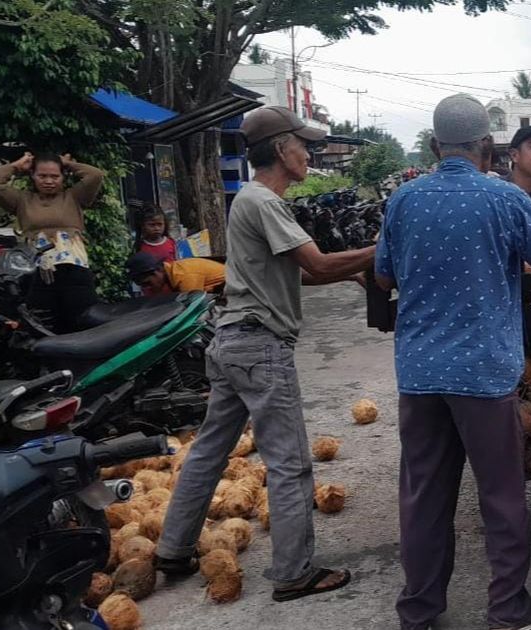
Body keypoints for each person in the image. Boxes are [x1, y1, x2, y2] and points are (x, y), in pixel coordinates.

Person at [374, 94, 531, 630]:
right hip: (483, 372)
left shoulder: (403, 199)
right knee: (501, 493)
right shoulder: (503, 199)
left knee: (423, 496)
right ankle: (507, 608)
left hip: (419, 373)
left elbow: (383, 276)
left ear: (432, 145)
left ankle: (418, 612)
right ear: (488, 147)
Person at [155, 106, 374, 602]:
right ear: (281, 149)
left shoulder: (248, 201)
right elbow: (317, 261)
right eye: (304, 145)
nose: (309, 153)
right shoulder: (266, 203)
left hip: (230, 342)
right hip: (260, 346)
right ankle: (294, 573)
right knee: (289, 462)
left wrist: (353, 271)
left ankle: (172, 547)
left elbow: (305, 273)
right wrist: (381, 251)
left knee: (210, 451)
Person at [0, 151, 103, 333]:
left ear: (63, 176)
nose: (49, 181)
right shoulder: (22, 200)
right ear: (32, 176)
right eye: (42, 175)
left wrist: (66, 163)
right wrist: (17, 166)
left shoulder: (74, 197)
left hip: (75, 272)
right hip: (40, 274)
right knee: (41, 326)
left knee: (84, 323)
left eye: (55, 176)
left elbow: (96, 175)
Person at [125, 251, 226, 296]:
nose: (147, 289)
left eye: (148, 283)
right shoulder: (173, 273)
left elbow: (194, 308)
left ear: (158, 271)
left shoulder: (184, 276)